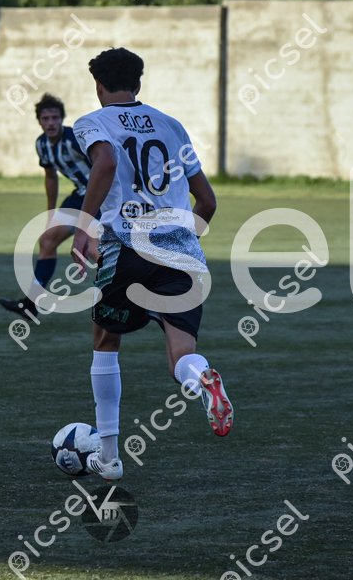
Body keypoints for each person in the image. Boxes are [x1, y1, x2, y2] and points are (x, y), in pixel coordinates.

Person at [71, 47, 234, 482]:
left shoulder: (92, 122)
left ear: (98, 86)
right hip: (182, 253)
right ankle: (202, 379)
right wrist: (182, 239)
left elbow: (106, 162)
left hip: (127, 245)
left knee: (106, 341)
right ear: (138, 83)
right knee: (183, 355)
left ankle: (109, 458)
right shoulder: (172, 125)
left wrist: (84, 226)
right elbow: (207, 201)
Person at [0, 93, 93, 319]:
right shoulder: (42, 144)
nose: (51, 123)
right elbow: (51, 177)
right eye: (46, 118)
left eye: (55, 118)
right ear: (39, 121)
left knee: (95, 250)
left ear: (62, 119)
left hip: (101, 197)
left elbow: (104, 165)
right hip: (78, 197)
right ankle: (31, 304)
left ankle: (131, 296)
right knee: (47, 241)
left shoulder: (74, 140)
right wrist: (51, 213)